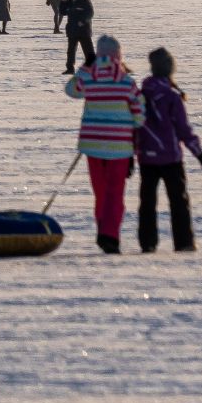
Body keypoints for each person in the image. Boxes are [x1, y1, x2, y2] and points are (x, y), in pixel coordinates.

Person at [64, 34, 143, 254]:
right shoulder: (127, 81)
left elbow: (71, 90)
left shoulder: (90, 78)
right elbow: (140, 114)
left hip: (93, 146)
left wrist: (83, 69)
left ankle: (102, 228)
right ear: (119, 55)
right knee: (115, 193)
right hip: (120, 148)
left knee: (100, 191)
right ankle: (110, 234)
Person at [136, 47, 202, 253]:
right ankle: (184, 242)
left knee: (147, 203)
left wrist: (130, 154)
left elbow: (134, 127)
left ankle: (148, 242)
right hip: (170, 158)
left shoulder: (141, 95)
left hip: (146, 158)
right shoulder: (171, 97)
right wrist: (200, 154)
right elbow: (183, 130)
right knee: (179, 202)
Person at [61, 0, 95, 74]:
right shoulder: (69, 1)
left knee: (88, 51)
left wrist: (83, 21)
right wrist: (63, 0)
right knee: (70, 51)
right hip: (72, 30)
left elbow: (90, 13)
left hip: (83, 30)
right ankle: (70, 69)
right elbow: (62, 12)